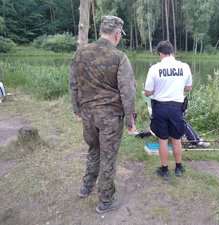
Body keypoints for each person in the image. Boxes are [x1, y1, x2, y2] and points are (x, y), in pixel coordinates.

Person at [69, 15, 137, 214]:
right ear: (117, 34)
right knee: (108, 157)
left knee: (93, 150)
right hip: (110, 118)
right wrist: (130, 120)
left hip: (88, 115)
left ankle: (86, 187)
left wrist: (77, 110)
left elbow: (73, 85)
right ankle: (105, 200)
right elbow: (128, 91)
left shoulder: (80, 54)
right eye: (120, 35)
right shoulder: (119, 57)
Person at [144, 40, 192, 180]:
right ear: (172, 52)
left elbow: (147, 92)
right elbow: (188, 88)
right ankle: (178, 167)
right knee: (176, 139)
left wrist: (157, 89)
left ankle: (164, 170)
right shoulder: (184, 67)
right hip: (177, 108)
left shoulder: (154, 69)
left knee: (163, 140)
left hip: (160, 107)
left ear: (160, 53)